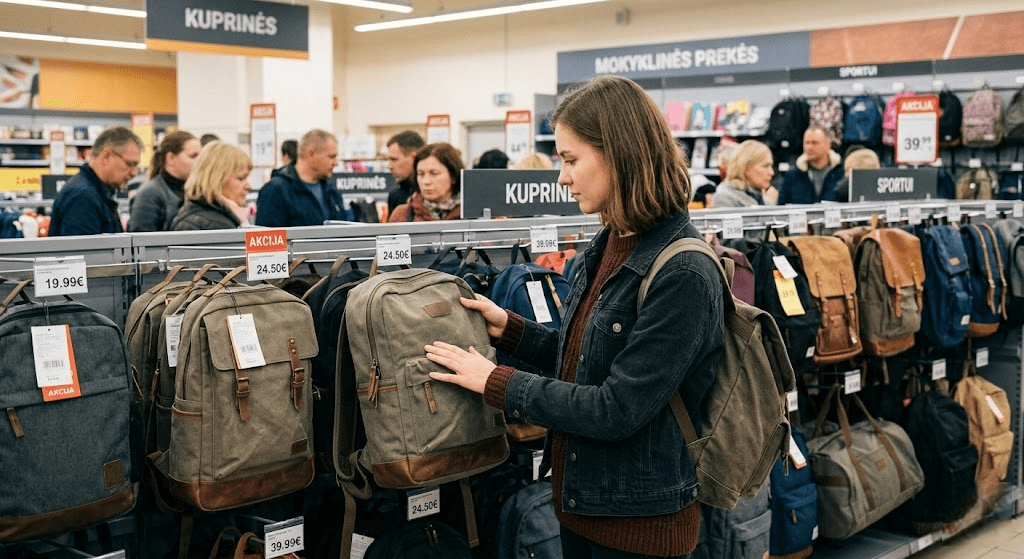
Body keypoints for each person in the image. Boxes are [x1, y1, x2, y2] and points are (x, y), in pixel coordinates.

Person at [423, 75, 724, 559]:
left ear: (620, 154)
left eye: (570, 159)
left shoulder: (683, 270)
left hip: (639, 528)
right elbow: (587, 360)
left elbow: (616, 408)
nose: (561, 177)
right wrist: (513, 329)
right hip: (582, 509)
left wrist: (496, 382)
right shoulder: (605, 245)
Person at [50, 126, 142, 236]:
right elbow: (82, 251)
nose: (133, 173)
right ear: (106, 156)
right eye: (130, 164)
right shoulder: (82, 198)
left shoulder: (94, 193)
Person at [254, 129, 347, 227]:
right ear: (311, 154)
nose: (336, 163)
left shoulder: (330, 191)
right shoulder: (276, 190)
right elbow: (267, 239)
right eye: (331, 157)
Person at [128, 131, 201, 231]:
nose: (200, 162)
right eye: (193, 156)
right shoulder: (149, 194)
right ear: (170, 158)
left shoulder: (194, 191)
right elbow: (142, 241)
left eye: (201, 156)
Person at [170, 142, 252, 230]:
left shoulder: (197, 219)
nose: (248, 186)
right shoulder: (209, 225)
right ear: (216, 180)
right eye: (241, 178)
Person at [388, 143, 463, 222]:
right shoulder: (402, 215)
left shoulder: (472, 214)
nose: (426, 181)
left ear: (453, 176)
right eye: (421, 174)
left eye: (434, 173)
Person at [777, 127, 844, 204]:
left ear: (828, 144)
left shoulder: (842, 173)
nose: (809, 147)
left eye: (814, 143)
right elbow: (781, 206)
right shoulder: (791, 176)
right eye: (807, 143)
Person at [711, 140, 778, 208]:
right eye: (765, 166)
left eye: (771, 166)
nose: (771, 172)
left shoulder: (761, 198)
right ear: (745, 167)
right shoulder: (724, 198)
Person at [385, 130, 426, 213]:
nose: (389, 166)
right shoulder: (395, 196)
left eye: (394, 159)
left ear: (414, 158)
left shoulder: (432, 192)